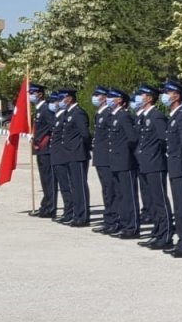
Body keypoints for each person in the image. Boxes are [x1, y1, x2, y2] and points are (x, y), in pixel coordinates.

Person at [132, 84, 171, 249]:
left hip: (155, 164)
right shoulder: (143, 116)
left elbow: (164, 140)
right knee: (151, 202)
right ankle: (157, 232)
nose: (138, 98)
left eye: (141, 94)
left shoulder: (156, 116)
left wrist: (155, 156)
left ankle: (165, 234)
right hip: (144, 164)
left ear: (149, 98)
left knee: (160, 201)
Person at [160, 80, 182, 257]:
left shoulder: (181, 115)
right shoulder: (174, 115)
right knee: (179, 207)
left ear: (177, 95)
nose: (165, 95)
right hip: (175, 166)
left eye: (168, 92)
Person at [103, 88, 141, 239]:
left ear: (120, 100)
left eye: (112, 97)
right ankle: (125, 224)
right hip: (116, 161)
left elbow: (132, 138)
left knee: (128, 195)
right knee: (120, 195)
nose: (109, 99)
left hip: (125, 161)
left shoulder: (124, 116)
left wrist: (125, 153)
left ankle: (132, 227)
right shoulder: (115, 116)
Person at [51, 90, 91, 227]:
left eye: (63, 97)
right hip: (69, 154)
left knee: (79, 186)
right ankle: (76, 214)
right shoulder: (68, 113)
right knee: (73, 186)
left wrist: (80, 149)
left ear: (70, 98)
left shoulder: (78, 113)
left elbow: (85, 135)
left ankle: (83, 216)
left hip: (78, 154)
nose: (61, 100)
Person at [89, 87, 118, 233]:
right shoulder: (101, 114)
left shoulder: (108, 114)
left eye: (97, 95)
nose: (94, 97)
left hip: (107, 158)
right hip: (101, 158)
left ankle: (113, 220)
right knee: (106, 190)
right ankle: (109, 219)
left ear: (105, 97)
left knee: (110, 190)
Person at [29, 84, 57, 216]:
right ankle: (45, 205)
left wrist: (45, 142)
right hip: (40, 149)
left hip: (46, 149)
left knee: (49, 179)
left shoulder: (46, 109)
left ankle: (50, 207)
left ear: (40, 94)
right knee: (44, 179)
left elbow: (54, 128)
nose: (30, 95)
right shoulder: (39, 110)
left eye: (32, 92)